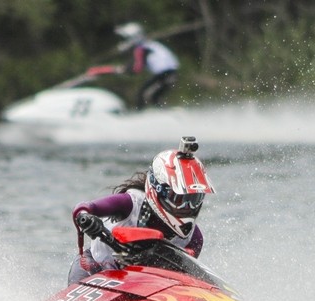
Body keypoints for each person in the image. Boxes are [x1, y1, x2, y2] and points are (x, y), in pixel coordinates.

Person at [68, 137, 214, 285]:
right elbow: (84, 208)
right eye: (179, 199)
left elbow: (184, 275)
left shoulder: (194, 238)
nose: (186, 207)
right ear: (158, 190)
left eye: (193, 199)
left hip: (145, 285)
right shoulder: (131, 203)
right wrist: (87, 219)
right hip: (95, 268)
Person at [114, 22, 180, 110]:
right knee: (154, 97)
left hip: (165, 73)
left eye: (126, 39)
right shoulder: (150, 45)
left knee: (143, 93)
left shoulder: (142, 48)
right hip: (171, 73)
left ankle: (139, 115)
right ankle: (165, 113)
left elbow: (137, 68)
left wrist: (123, 70)